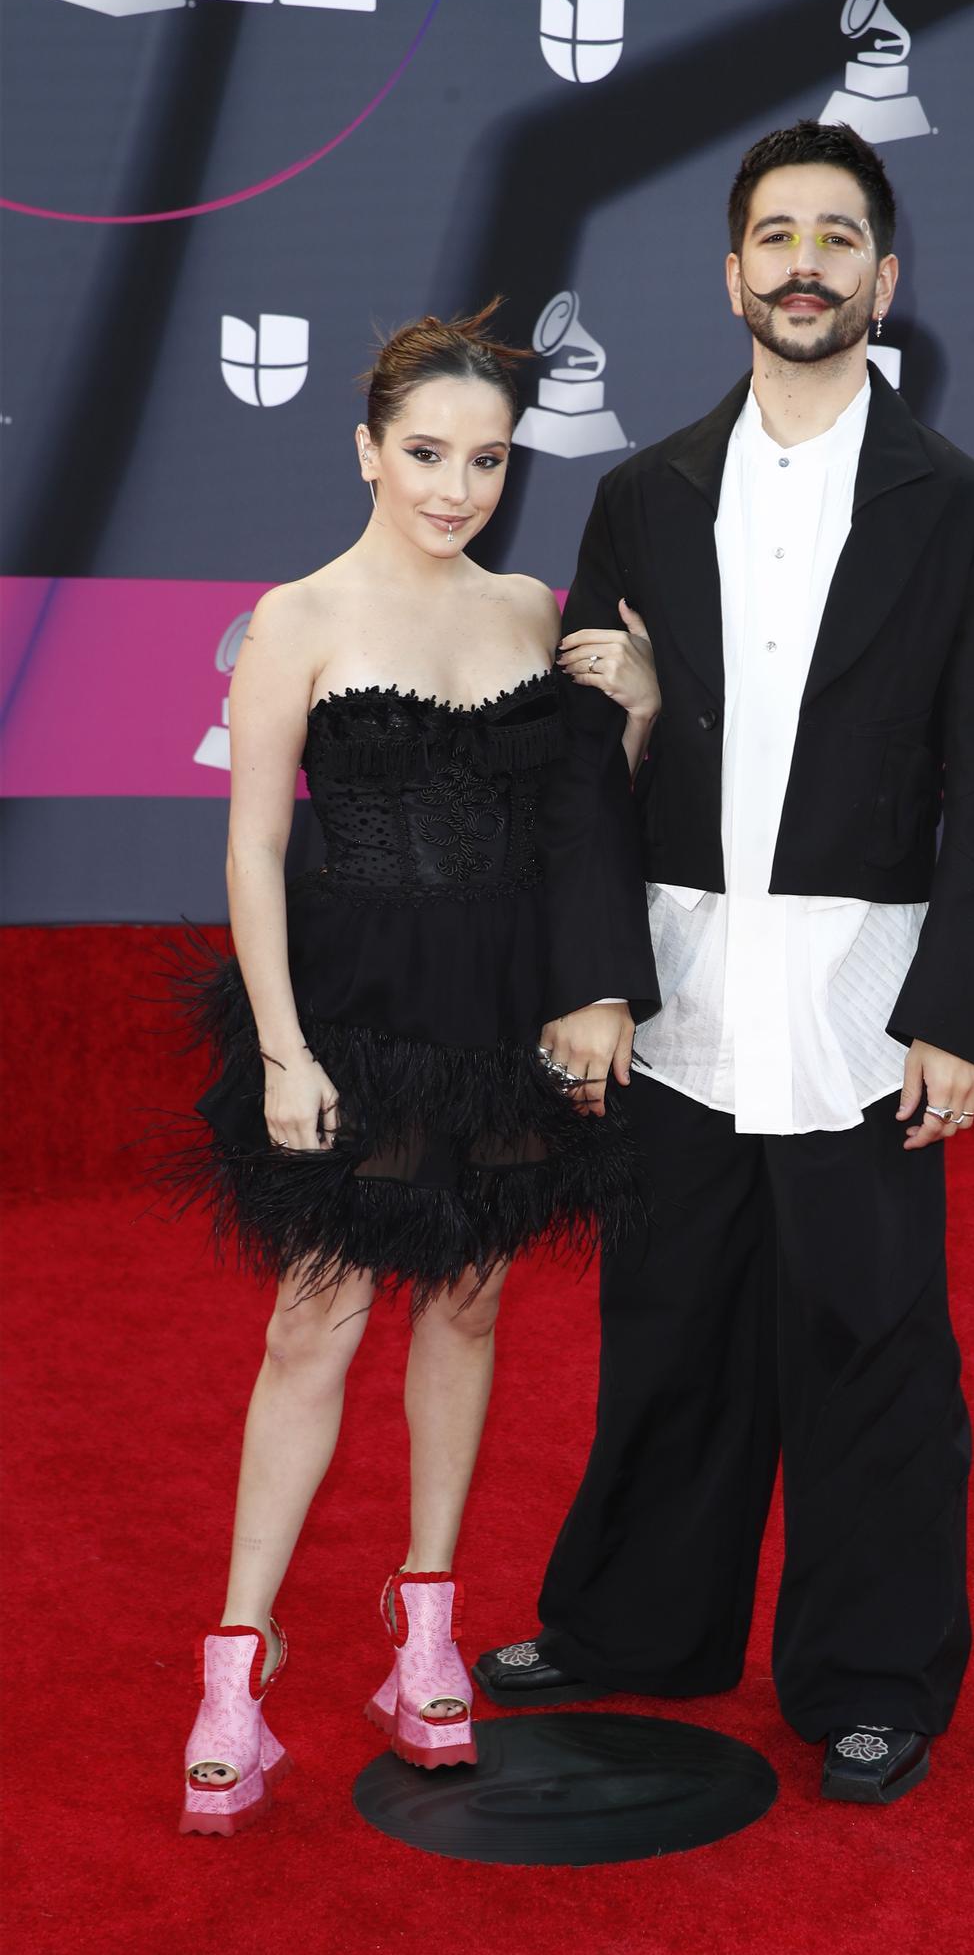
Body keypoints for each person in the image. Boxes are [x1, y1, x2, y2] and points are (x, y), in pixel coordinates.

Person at [475, 122, 974, 1805]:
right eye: (776, 234)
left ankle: (874, 1674)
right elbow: (592, 765)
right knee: (668, 1329)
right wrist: (592, 977)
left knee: (873, 1342)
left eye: (839, 235)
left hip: (863, 1014)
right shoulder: (639, 496)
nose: (806, 261)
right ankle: (636, 1629)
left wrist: (956, 1014)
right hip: (676, 995)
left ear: (887, 277)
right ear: (732, 276)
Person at [170, 302, 659, 1836]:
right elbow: (253, 844)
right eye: (430, 453)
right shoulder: (299, 616)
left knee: (469, 1294)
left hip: (501, 1019)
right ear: (366, 448)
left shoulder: (532, 611)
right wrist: (280, 1046)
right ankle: (234, 1674)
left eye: (490, 461)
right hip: (353, 1016)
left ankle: (428, 1624)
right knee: (313, 1321)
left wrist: (634, 716)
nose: (458, 487)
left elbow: (576, 828)